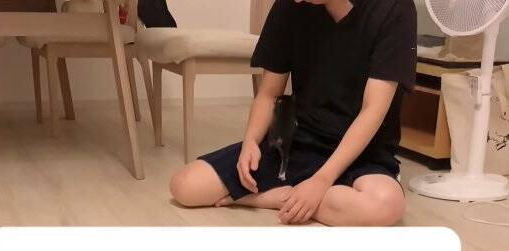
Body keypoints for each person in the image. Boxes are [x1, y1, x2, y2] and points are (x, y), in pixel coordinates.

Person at [169, 0, 417, 226]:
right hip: (298, 142)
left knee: (386, 204)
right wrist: (251, 141)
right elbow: (268, 94)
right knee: (186, 186)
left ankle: (279, 198)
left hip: (362, 154)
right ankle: (292, 198)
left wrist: (321, 180)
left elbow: (372, 111)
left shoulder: (394, 8)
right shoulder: (289, 6)